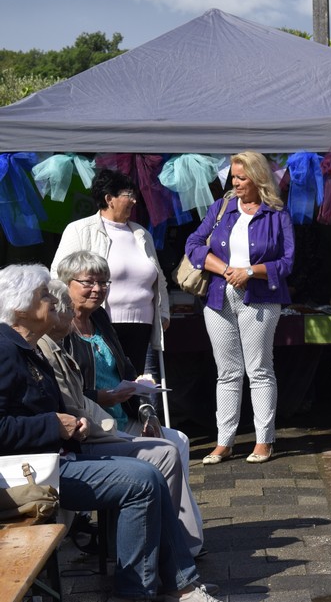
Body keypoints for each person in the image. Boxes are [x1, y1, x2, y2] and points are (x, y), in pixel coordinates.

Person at [0, 264, 219, 602]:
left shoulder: (28, 348)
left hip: (57, 457)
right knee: (142, 480)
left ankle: (180, 585)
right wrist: (54, 424)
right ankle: (138, 592)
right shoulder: (5, 351)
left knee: (151, 471)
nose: (55, 301)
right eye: (44, 296)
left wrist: (72, 426)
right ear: (20, 307)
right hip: (29, 474)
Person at [39, 277, 205, 555]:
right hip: (89, 434)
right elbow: (73, 406)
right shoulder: (49, 346)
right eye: (88, 282)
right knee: (164, 452)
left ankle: (181, 542)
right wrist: (103, 406)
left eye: (103, 281)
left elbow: (128, 373)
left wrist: (146, 411)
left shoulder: (100, 320)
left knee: (178, 441)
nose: (98, 289)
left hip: (117, 419)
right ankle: (170, 549)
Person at [185, 151, 295, 465]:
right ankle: (224, 442)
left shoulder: (277, 214)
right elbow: (193, 245)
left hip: (260, 297)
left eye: (241, 177)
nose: (235, 183)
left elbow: (287, 262)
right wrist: (225, 270)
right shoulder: (221, 208)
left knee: (259, 370)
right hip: (218, 297)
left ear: (258, 178)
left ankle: (264, 441)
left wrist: (249, 272)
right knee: (227, 372)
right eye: (233, 177)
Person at [51, 168, 170, 376]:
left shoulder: (142, 234)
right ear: (109, 199)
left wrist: (164, 313)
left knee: (139, 385)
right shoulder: (79, 229)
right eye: (128, 195)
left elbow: (159, 279)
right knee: (106, 380)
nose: (134, 200)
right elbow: (58, 276)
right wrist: (66, 315)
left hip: (143, 325)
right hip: (98, 324)